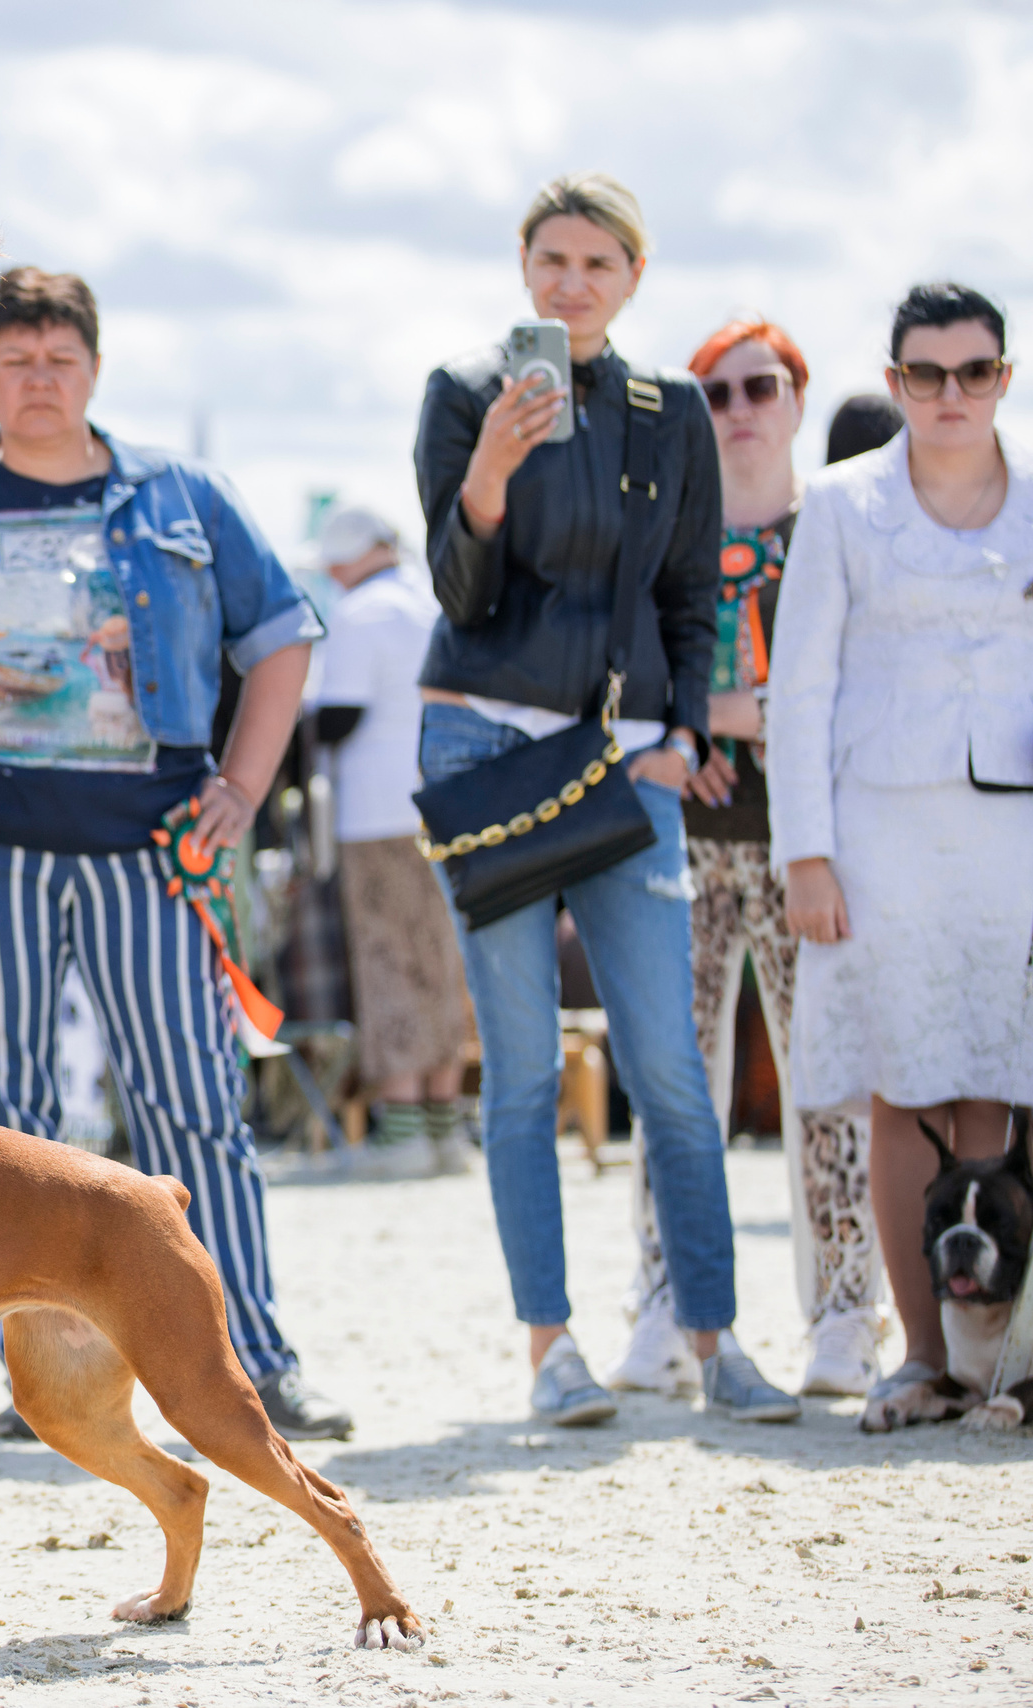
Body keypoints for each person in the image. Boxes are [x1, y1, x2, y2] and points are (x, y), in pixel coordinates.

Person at [0, 266, 348, 1442]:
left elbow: (283, 632)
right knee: (5, 1122)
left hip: (149, 843)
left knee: (190, 1099)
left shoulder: (180, 496)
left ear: (94, 367)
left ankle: (249, 1356)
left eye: (59, 357)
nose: (37, 379)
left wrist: (244, 785)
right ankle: (37, 1376)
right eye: (14, 359)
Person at [412, 172, 801, 1429]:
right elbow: (458, 595)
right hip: (486, 745)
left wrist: (688, 729)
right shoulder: (465, 392)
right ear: (522, 269)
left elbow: (691, 591)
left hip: (630, 760)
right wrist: (487, 476)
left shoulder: (671, 410)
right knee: (523, 1070)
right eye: (551, 259)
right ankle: (551, 1348)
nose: (570, 282)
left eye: (597, 262)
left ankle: (717, 1341)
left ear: (634, 276)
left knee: (673, 1072)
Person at [604, 318, 886, 1403]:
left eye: (758, 388)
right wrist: (702, 724)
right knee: (675, 1086)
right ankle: (666, 1304)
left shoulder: (844, 525)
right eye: (715, 392)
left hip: (811, 843)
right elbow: (615, 674)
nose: (737, 411)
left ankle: (845, 1313)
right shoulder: (664, 528)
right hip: (679, 843)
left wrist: (760, 719)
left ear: (797, 398)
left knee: (826, 1079)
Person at [767, 281, 1033, 1421]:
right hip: (875, 826)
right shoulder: (837, 504)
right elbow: (800, 688)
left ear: (1003, 378)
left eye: (972, 372)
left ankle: (996, 1362)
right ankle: (921, 1355)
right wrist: (804, 855)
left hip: (1011, 825)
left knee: (994, 1076)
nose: (949, 395)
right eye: (924, 375)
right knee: (901, 1083)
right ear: (894, 383)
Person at [305, 502, 472, 1170]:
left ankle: (401, 1129)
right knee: (441, 962)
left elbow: (341, 715)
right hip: (442, 802)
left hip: (376, 812)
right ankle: (445, 1123)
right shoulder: (430, 604)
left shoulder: (358, 614)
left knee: (388, 960)